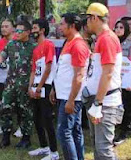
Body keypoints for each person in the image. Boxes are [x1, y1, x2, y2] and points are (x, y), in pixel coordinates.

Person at [83, 3, 124, 159]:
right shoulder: (102, 38)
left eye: (87, 18)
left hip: (105, 103)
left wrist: (98, 104)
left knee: (104, 150)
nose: (86, 22)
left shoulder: (107, 39)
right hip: (100, 101)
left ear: (94, 18)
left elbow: (107, 73)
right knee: (98, 147)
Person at [50, 13, 90, 160]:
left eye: (62, 24)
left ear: (72, 26)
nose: (59, 27)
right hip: (64, 95)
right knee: (74, 132)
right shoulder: (69, 42)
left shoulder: (78, 45)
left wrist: (71, 100)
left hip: (71, 97)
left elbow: (79, 75)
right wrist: (55, 89)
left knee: (64, 132)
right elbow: (63, 69)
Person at [0, 20, 36, 149]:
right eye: (16, 30)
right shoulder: (11, 44)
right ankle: (6, 137)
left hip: (25, 85)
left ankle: (26, 138)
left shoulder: (33, 47)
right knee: (5, 108)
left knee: (25, 112)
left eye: (19, 30)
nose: (16, 33)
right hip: (10, 84)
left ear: (28, 32)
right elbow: (3, 54)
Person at [28, 18, 59, 160]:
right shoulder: (35, 49)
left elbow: (48, 68)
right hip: (36, 86)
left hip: (45, 85)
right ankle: (43, 146)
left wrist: (40, 87)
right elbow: (33, 70)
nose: (32, 31)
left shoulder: (48, 45)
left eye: (35, 28)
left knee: (47, 118)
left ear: (42, 30)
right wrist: (30, 87)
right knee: (36, 117)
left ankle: (54, 152)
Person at [113, 20, 131, 145]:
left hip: (126, 81)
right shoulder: (111, 43)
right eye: (116, 27)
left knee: (127, 107)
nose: (118, 29)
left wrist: (130, 82)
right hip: (112, 80)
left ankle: (123, 133)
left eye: (121, 27)